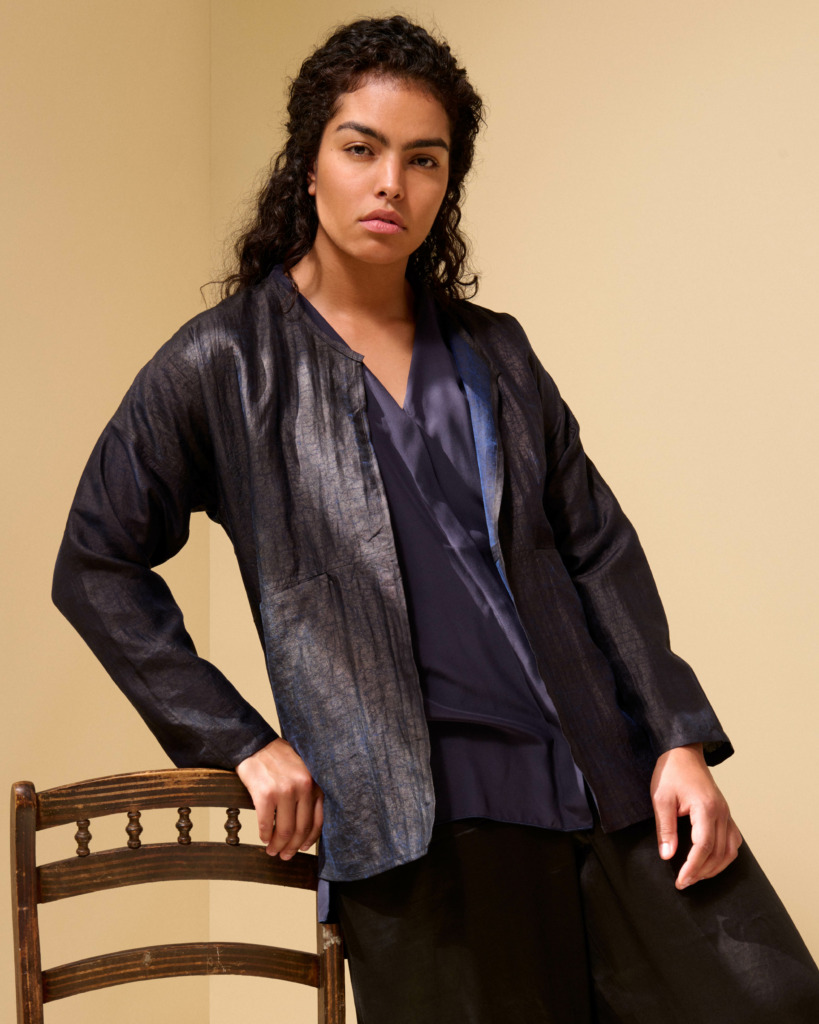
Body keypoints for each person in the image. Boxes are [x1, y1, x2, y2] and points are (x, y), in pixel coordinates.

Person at [52, 14, 819, 1023]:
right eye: (361, 149)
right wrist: (237, 740)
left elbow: (598, 552)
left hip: (605, 776)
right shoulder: (224, 365)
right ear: (308, 164)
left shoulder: (496, 352)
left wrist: (676, 738)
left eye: (424, 159)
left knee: (771, 1003)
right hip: (419, 826)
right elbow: (95, 564)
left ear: (447, 181)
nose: (391, 185)